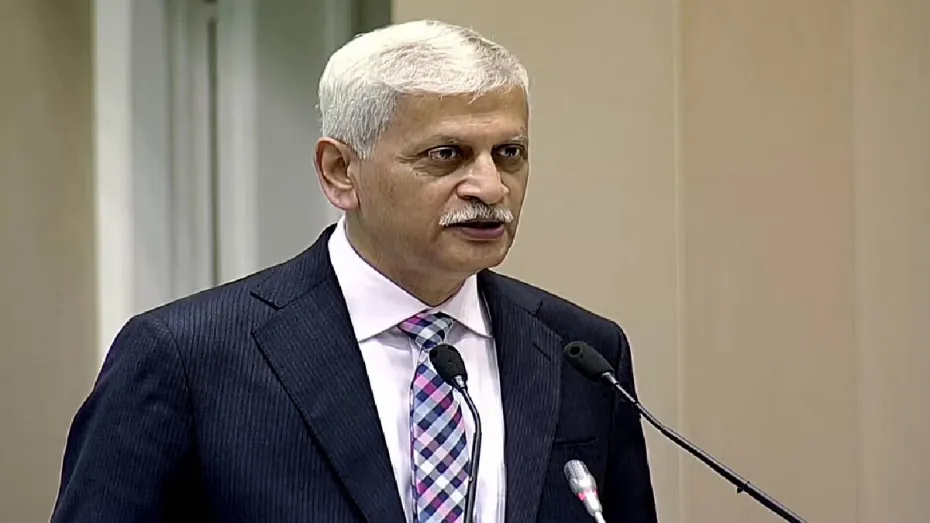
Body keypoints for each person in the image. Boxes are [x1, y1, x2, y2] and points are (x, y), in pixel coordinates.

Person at [51, 19, 657, 523]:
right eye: (447, 155)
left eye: (509, 153)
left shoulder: (583, 353)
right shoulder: (186, 357)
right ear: (341, 172)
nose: (490, 186)